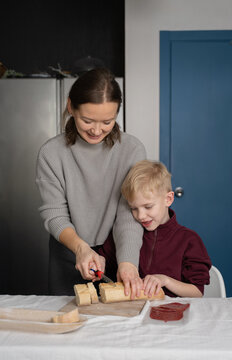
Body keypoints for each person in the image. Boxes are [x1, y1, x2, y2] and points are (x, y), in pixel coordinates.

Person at [36, 68, 146, 296]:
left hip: (118, 250)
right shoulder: (51, 153)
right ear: (71, 108)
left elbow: (128, 213)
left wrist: (128, 262)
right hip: (69, 251)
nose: (97, 130)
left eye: (107, 121)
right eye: (87, 120)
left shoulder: (132, 150)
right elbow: (55, 213)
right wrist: (80, 248)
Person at [100, 160, 212, 298]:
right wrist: (95, 265)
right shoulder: (126, 236)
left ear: (168, 199)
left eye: (148, 207)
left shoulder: (189, 240)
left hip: (173, 314)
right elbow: (103, 263)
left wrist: (165, 280)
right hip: (131, 313)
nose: (140, 216)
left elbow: (197, 292)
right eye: (134, 208)